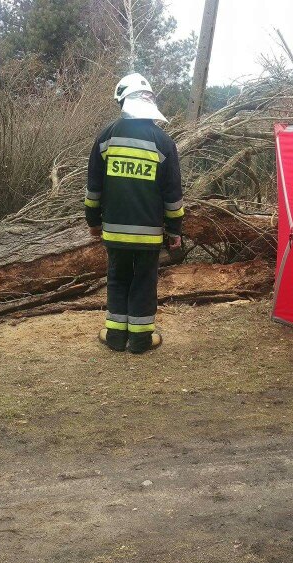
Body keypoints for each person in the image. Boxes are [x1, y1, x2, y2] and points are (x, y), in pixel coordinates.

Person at [85, 72, 182, 354]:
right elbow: (173, 195)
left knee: (117, 279)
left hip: (114, 231)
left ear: (122, 101)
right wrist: (175, 230)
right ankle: (141, 339)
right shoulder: (163, 142)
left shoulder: (106, 137)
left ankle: (115, 336)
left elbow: (94, 188)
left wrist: (93, 222)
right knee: (144, 282)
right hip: (149, 234)